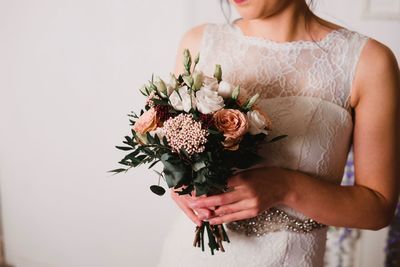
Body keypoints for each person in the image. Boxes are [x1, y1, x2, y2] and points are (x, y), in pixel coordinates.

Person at [157, 0, 400, 266]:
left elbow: (378, 208)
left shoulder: (368, 62)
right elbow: (176, 155)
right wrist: (181, 185)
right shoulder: (199, 42)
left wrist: (284, 187)